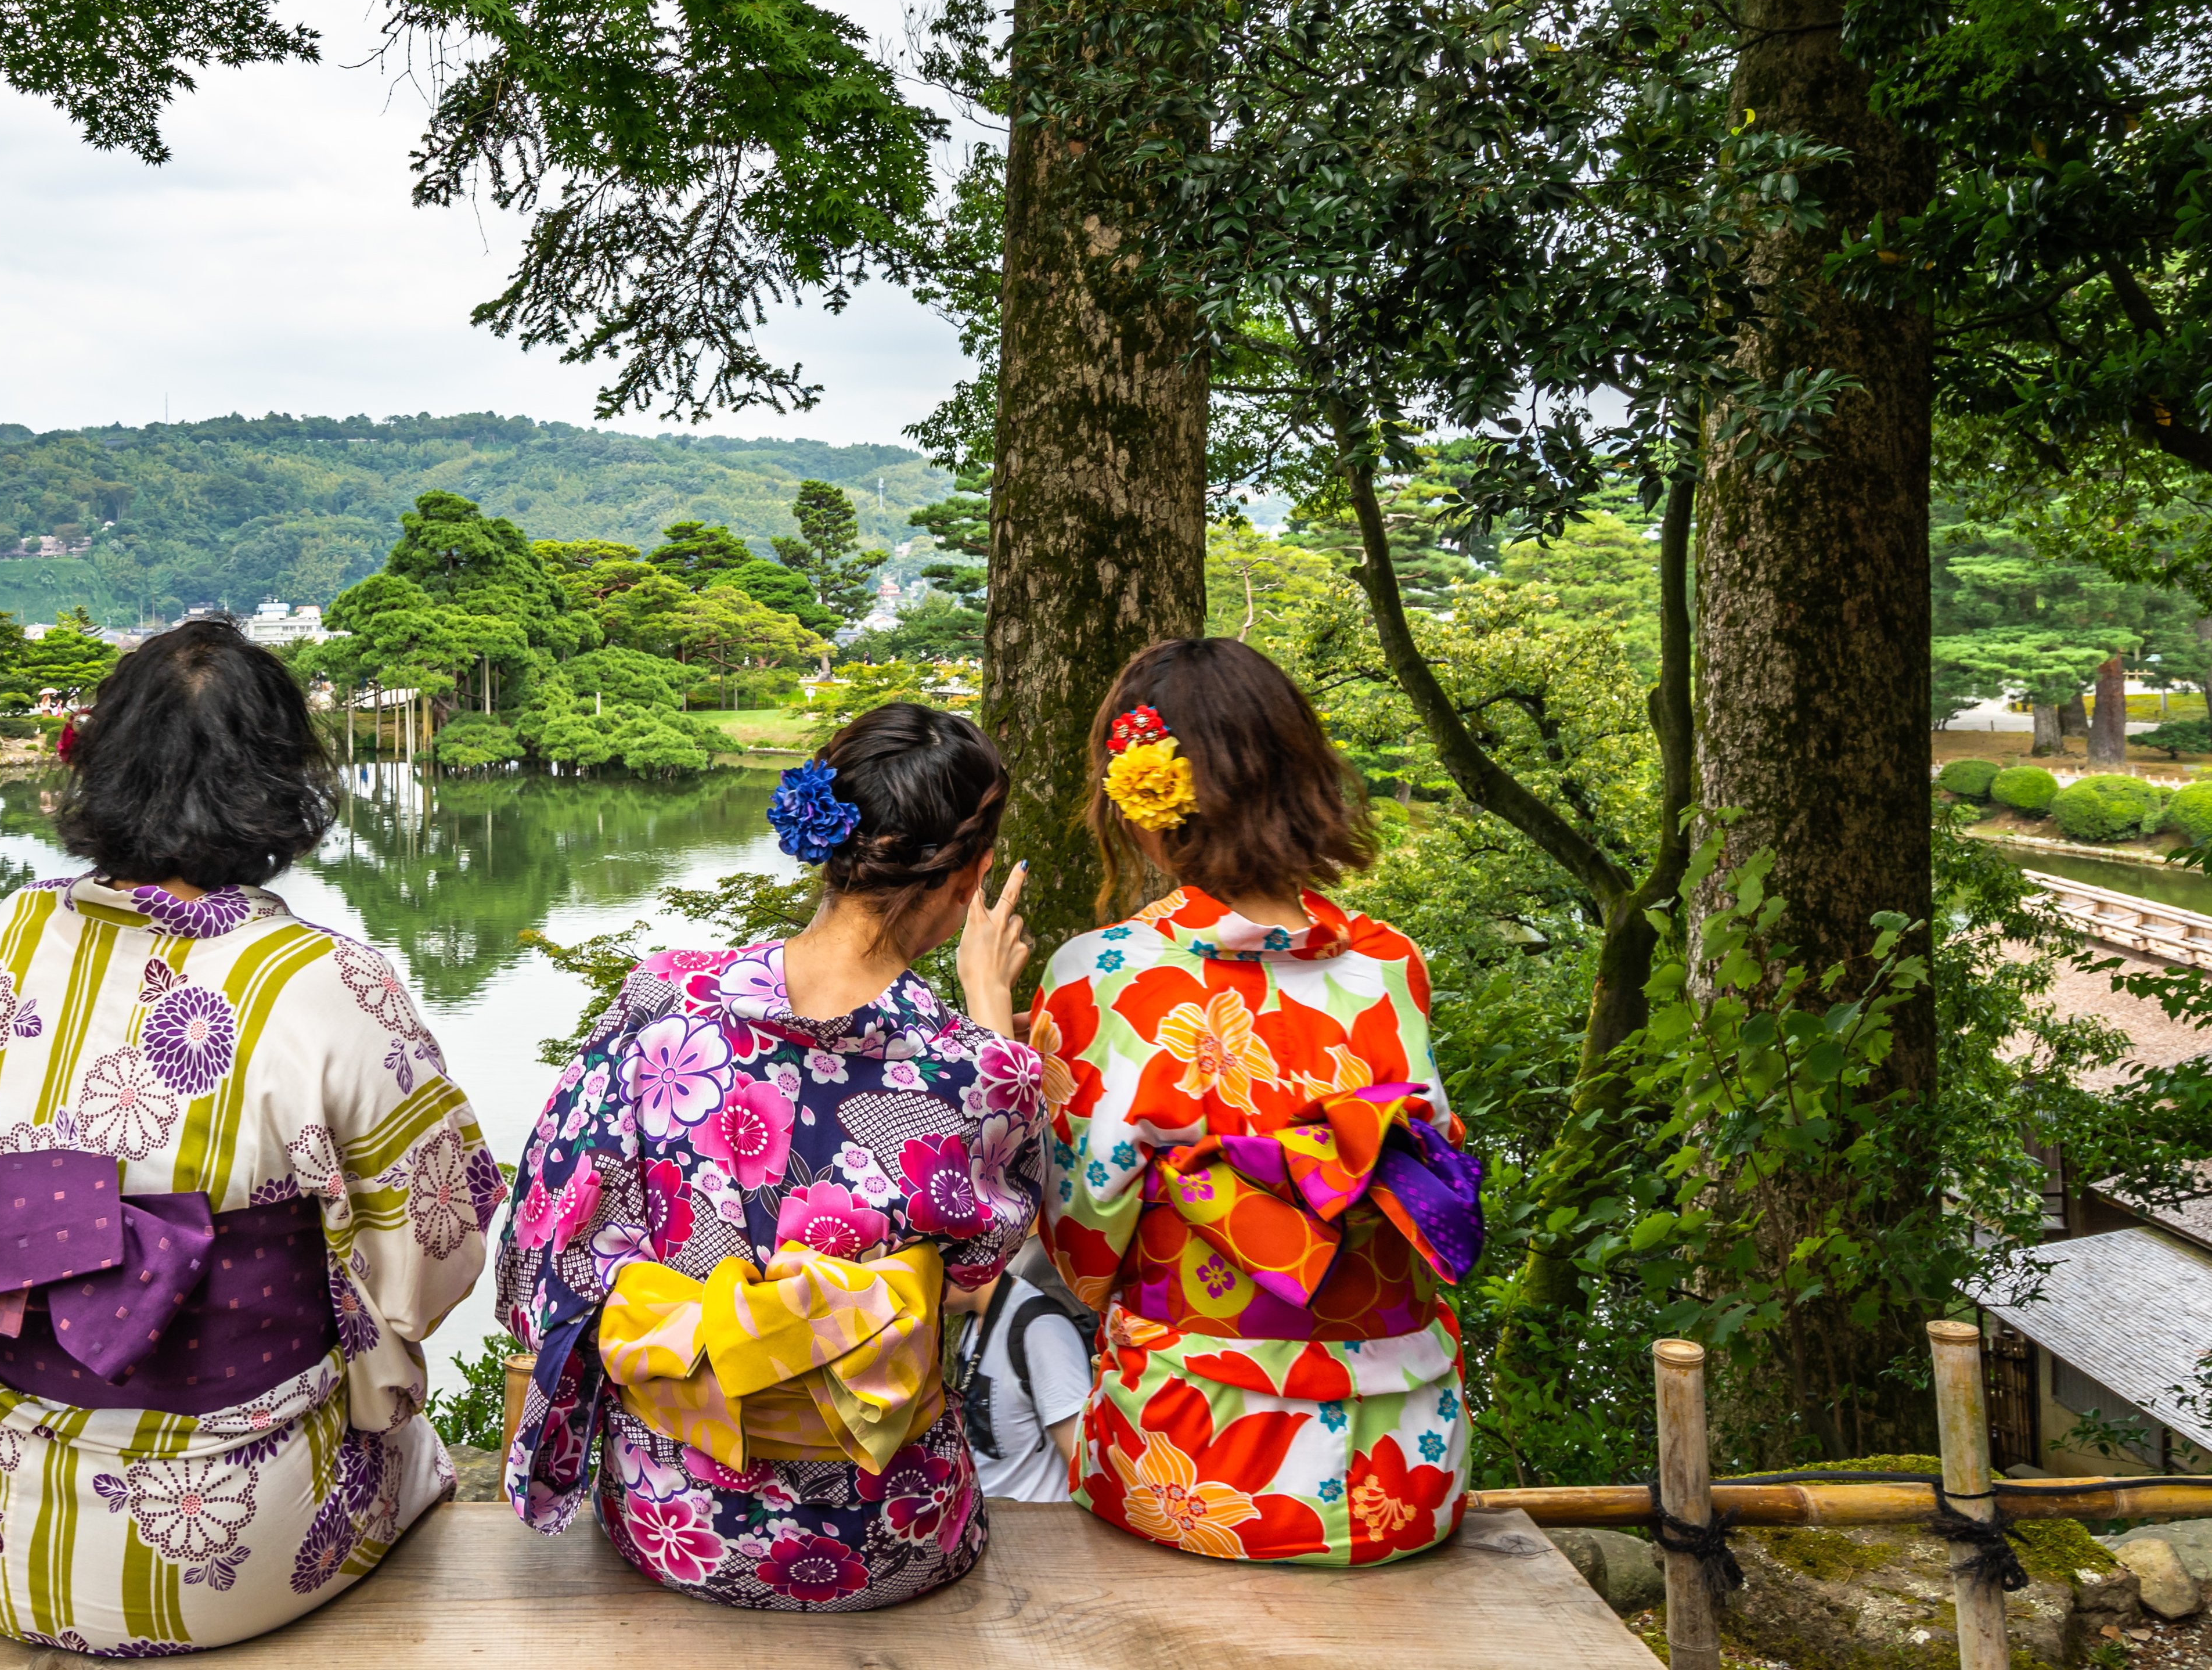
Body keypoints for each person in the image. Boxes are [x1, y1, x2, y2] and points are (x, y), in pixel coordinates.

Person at [0, 619, 502, 1655]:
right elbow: (437, 1243)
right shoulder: (324, 979)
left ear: (101, 767)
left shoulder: (10, 937)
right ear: (283, 783)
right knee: (405, 1444)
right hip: (220, 1541)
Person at [495, 703, 1046, 1611]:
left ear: (826, 841)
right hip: (889, 1533)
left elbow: (549, 1234)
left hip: (674, 1518)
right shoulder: (979, 1070)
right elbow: (976, 1275)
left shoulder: (664, 1000)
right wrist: (992, 1025)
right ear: (971, 875)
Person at [961, 636, 1485, 1566]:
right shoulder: (1391, 964)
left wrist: (991, 1024)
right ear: (1301, 772)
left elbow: (1078, 1250)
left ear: (1141, 797)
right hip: (1411, 1474)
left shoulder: (1101, 978)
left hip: (1201, 1470)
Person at [953, 1247, 1095, 1502]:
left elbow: (1081, 1462)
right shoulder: (973, 1320)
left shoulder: (1042, 1330)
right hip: (994, 1520)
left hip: (1039, 1532)